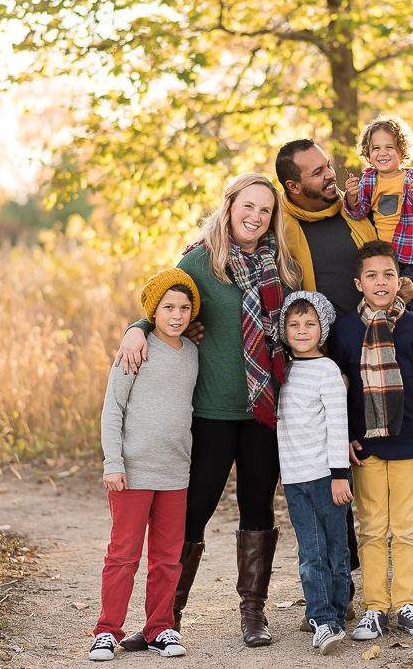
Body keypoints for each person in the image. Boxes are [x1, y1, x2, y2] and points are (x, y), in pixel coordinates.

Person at [275, 140, 413, 608]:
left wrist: (411, 283)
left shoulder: (358, 207)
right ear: (293, 185)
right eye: (318, 172)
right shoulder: (279, 228)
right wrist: (143, 323)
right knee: (345, 469)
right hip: (334, 366)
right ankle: (349, 587)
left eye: (329, 165)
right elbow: (216, 249)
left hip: (393, 351)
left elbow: (411, 254)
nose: (331, 175)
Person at [113, 173, 302, 648]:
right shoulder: (201, 259)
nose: (256, 217)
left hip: (263, 408)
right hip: (211, 412)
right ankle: (165, 618)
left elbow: (300, 323)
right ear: (229, 205)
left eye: (265, 210)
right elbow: (165, 299)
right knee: (192, 511)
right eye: (248, 206)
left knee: (257, 507)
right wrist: (136, 327)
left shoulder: (281, 265)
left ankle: (253, 616)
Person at [328, 240, 413, 639]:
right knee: (373, 529)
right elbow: (336, 392)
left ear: (401, 281)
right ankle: (375, 608)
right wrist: (343, 439)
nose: (381, 282)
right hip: (368, 449)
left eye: (389, 275)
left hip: (412, 448)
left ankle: (407, 604)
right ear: (358, 283)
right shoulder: (343, 329)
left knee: (408, 529)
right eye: (372, 275)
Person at [88, 269, 200, 661]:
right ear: (154, 310)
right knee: (123, 555)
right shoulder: (136, 349)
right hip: (132, 473)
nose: (177, 315)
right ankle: (107, 630)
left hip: (175, 473)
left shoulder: (193, 353)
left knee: (168, 558)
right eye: (168, 307)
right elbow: (112, 409)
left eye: (185, 308)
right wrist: (113, 462)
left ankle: (160, 628)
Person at [275, 290, 351, 655]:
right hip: (294, 478)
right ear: (283, 330)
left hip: (326, 476)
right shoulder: (284, 370)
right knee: (310, 552)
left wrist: (340, 474)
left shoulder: (328, 370)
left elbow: (338, 424)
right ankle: (322, 619)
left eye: (309, 324)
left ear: (322, 328)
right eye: (293, 324)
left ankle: (336, 613)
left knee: (336, 550)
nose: (301, 330)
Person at [343, 115, 413, 315]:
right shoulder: (369, 180)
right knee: (382, 304)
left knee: (403, 303)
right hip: (382, 257)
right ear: (368, 153)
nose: (382, 153)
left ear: (402, 152)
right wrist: (352, 196)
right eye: (376, 148)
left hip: (408, 257)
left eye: (389, 147)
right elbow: (359, 213)